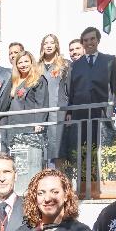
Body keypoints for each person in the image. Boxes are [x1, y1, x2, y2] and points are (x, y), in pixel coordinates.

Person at [65, 27, 116, 149]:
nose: (89, 42)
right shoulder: (74, 66)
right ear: (82, 43)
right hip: (80, 114)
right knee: (82, 149)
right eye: (85, 40)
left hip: (103, 112)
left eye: (92, 39)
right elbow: (71, 91)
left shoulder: (110, 60)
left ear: (98, 40)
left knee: (103, 148)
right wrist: (70, 111)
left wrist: (111, 107)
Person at [5, 51, 49, 169]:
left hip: (30, 128)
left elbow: (42, 103)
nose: (23, 65)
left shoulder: (38, 80)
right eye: (20, 62)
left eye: (26, 61)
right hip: (13, 126)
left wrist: (39, 122)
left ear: (31, 62)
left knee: (31, 163)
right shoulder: (13, 80)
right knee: (17, 163)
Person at [38, 34, 70, 162]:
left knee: (57, 152)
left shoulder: (64, 64)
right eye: (46, 43)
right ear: (42, 46)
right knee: (41, 152)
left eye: (52, 42)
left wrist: (69, 111)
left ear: (56, 45)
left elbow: (70, 89)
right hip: (40, 112)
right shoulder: (36, 66)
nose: (49, 45)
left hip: (57, 112)